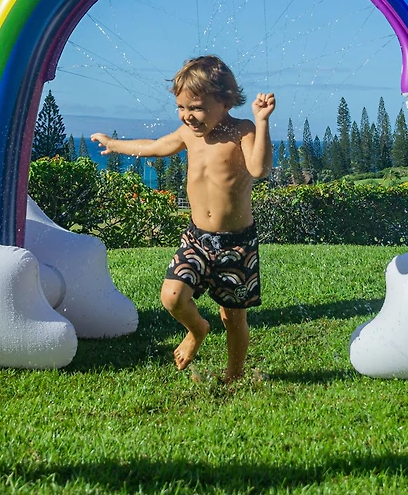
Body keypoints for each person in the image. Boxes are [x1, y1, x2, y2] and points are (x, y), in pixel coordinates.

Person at [91, 55, 275, 382]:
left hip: (236, 244)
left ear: (225, 100)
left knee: (233, 318)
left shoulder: (241, 131)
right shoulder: (189, 134)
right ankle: (197, 329)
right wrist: (113, 144)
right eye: (181, 108)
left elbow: (259, 170)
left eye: (197, 108)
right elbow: (154, 147)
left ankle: (234, 375)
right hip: (197, 238)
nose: (188, 116)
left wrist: (261, 122)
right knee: (172, 296)